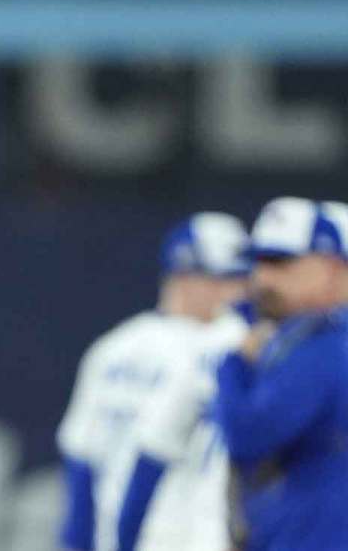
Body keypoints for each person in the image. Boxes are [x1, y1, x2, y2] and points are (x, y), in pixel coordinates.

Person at [57, 212, 249, 551]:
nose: (239, 290)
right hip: (166, 532)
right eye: (226, 278)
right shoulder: (226, 341)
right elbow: (81, 460)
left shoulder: (113, 346)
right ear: (185, 274)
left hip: (155, 534)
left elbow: (80, 458)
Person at [214, 197, 348, 551]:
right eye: (257, 262)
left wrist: (234, 366)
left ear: (333, 268)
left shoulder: (326, 345)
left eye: (280, 263)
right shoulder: (302, 336)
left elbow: (247, 435)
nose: (262, 278)